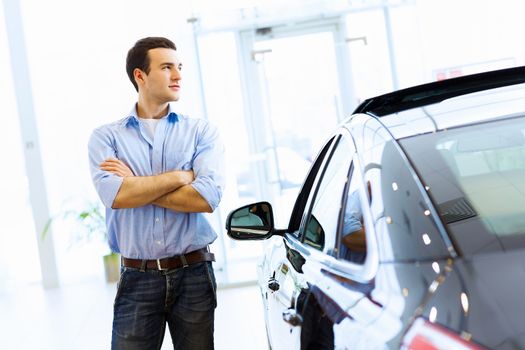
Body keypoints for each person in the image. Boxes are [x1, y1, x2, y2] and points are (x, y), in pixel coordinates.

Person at [88, 37, 225, 350]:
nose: (178, 75)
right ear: (140, 76)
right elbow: (116, 196)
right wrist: (179, 177)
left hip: (194, 274)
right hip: (137, 277)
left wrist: (136, 182)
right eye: (166, 67)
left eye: (179, 67)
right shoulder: (106, 138)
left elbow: (205, 199)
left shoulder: (201, 132)